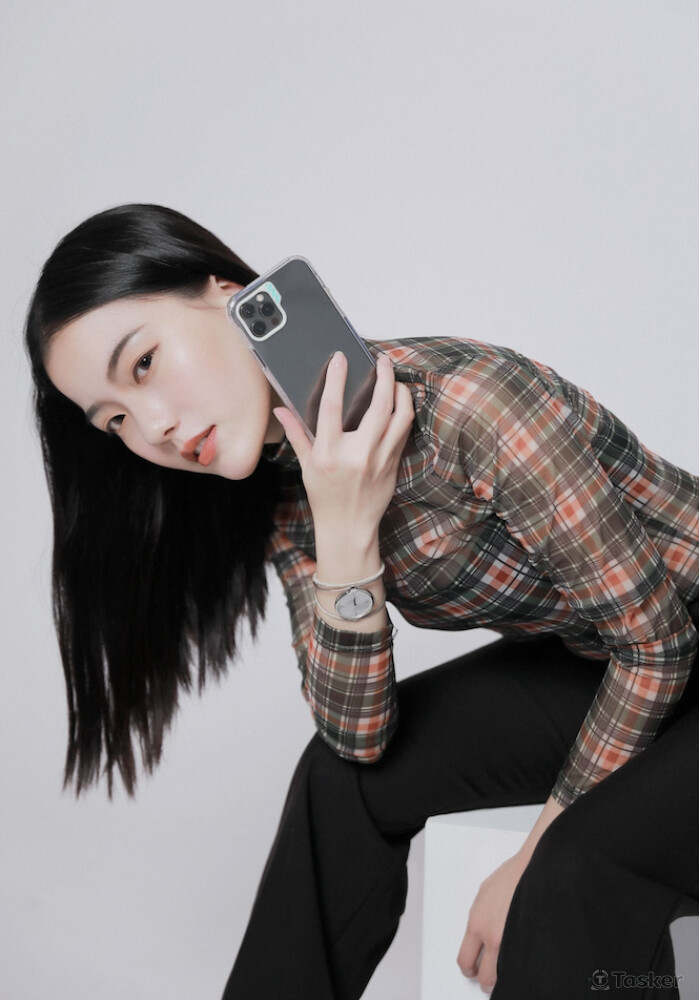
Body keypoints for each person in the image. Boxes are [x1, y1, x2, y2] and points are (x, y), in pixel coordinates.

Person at [26, 203, 699, 1000]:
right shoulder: (293, 487)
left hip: (661, 650)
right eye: (115, 421)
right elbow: (357, 737)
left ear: (231, 297)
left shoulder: (472, 406)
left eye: (143, 365)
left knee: (568, 872)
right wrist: (345, 534)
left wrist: (532, 849)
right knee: (335, 783)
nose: (155, 427)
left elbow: (656, 643)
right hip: (613, 668)